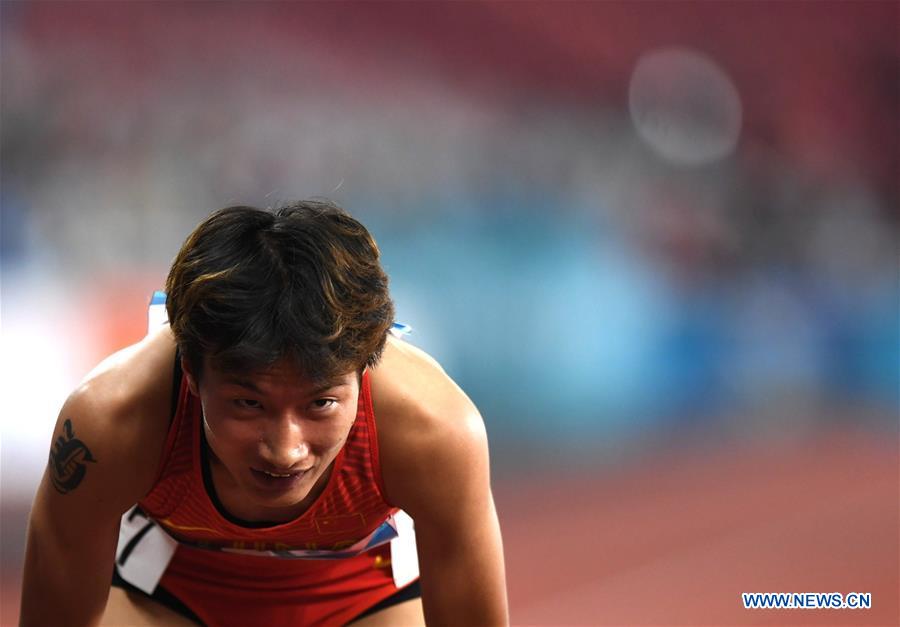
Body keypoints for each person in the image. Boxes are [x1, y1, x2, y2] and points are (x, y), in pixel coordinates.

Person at [20, 201, 509, 626]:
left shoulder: (435, 431)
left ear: (364, 369)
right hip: (166, 597)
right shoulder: (110, 423)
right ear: (191, 372)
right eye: (248, 404)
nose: (285, 449)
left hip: (369, 598)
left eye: (320, 403)